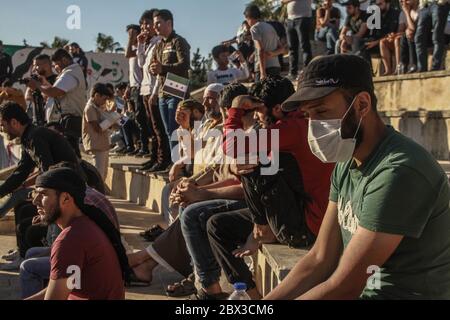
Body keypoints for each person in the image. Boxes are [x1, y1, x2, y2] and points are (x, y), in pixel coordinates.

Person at [263, 54, 450, 300]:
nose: (314, 126)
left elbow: (344, 286)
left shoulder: (399, 171)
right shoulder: (346, 162)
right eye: (309, 116)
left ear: (362, 105)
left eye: (321, 111)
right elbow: (319, 258)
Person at [206, 77, 335, 299]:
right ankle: (251, 294)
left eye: (258, 110)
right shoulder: (290, 126)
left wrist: (235, 110)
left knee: (254, 163)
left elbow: (233, 146)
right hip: (294, 215)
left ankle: (261, 229)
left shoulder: (292, 129)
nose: (255, 116)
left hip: (304, 228)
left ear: (276, 108)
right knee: (216, 225)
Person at [0, 102, 81, 269]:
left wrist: (36, 195)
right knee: (21, 206)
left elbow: (47, 171)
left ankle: (24, 256)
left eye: (3, 124)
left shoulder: (36, 136)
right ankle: (21, 251)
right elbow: (21, 172)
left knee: (21, 201)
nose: (2, 128)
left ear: (14, 122)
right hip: (55, 187)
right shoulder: (28, 137)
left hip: (66, 192)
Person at [25, 167, 127, 300]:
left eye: (43, 194)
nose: (35, 201)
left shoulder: (69, 240)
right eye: (35, 194)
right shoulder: (85, 224)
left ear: (66, 198)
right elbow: (65, 286)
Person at [26, 49, 87, 158]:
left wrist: (38, 85)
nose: (55, 68)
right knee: (69, 157)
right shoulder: (69, 73)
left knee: (70, 157)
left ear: (64, 60)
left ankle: (78, 174)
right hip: (64, 123)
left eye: (56, 65)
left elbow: (54, 92)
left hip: (67, 124)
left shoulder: (70, 73)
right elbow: (53, 94)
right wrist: (43, 83)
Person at [151, 9, 191, 153]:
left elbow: (185, 64)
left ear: (169, 23)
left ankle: (184, 163)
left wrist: (163, 68)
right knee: (169, 131)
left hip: (177, 90)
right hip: (163, 92)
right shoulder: (158, 45)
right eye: (154, 24)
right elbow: (153, 66)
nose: (155, 27)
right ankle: (175, 161)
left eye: (158, 23)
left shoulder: (179, 41)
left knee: (178, 129)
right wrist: (153, 68)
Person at [137, 10, 172, 172]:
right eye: (142, 24)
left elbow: (158, 71)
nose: (145, 27)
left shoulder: (159, 42)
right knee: (151, 128)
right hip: (145, 89)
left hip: (154, 90)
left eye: (148, 24)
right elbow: (141, 63)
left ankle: (163, 159)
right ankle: (154, 157)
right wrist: (140, 44)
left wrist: (154, 93)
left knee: (159, 128)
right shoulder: (150, 42)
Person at [125, 24, 151, 157]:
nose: (130, 36)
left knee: (142, 119)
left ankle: (145, 147)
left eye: (132, 32)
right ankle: (140, 145)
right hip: (134, 87)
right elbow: (132, 72)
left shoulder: (142, 48)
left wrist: (132, 37)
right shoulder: (135, 49)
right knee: (136, 119)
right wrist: (129, 88)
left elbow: (127, 53)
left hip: (142, 87)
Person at [82, 83, 115, 181]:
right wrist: (111, 119)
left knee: (103, 174)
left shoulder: (97, 107)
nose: (105, 102)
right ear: (97, 95)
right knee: (98, 175)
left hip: (102, 144)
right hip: (96, 145)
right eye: (104, 99)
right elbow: (97, 128)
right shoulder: (90, 108)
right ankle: (96, 195)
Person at [169, 99, 205, 182]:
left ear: (195, 112)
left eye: (183, 114)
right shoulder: (183, 128)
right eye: (178, 113)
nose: (180, 117)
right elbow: (181, 156)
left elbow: (193, 154)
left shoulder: (204, 125)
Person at [244, 5, 282, 82]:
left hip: (264, 68)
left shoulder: (254, 28)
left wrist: (262, 72)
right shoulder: (270, 27)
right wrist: (272, 53)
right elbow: (282, 49)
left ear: (249, 18)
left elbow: (261, 49)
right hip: (275, 66)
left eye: (247, 20)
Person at [415, 0, 450, 72]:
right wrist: (421, 5)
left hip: (439, 4)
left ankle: (435, 67)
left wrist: (442, 2)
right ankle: (421, 68)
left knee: (437, 36)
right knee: (419, 38)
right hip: (425, 6)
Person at [283, 0, 313, 78]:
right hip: (290, 20)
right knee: (292, 48)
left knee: (305, 47)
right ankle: (293, 72)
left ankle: (307, 72)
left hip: (303, 18)